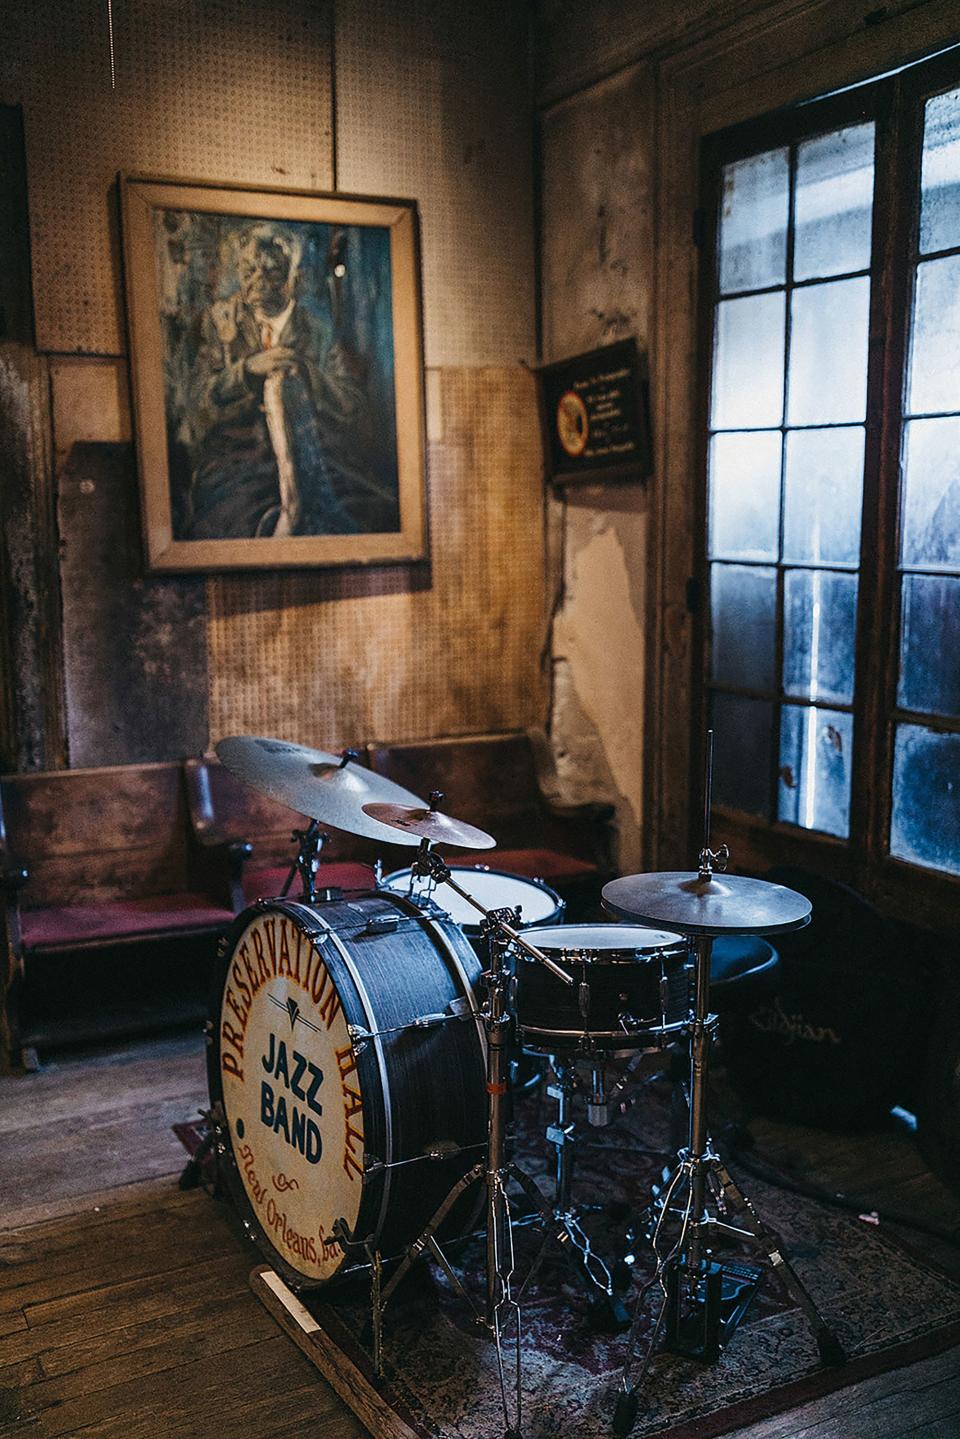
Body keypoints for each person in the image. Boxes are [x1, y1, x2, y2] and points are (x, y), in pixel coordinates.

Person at [184, 222, 370, 539]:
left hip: (317, 464)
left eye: (270, 271)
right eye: (248, 271)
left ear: (291, 278)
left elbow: (354, 405)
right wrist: (245, 370)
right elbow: (196, 403)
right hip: (241, 467)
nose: (256, 282)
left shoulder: (318, 331)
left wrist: (308, 374)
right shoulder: (220, 324)